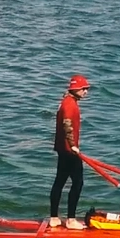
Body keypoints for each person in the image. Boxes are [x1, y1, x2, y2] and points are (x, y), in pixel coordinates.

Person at [49, 75, 90, 230]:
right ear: (75, 89)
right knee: (78, 183)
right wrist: (73, 145)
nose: (86, 92)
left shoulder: (66, 101)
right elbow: (67, 124)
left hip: (62, 149)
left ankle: (54, 218)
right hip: (69, 151)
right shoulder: (69, 105)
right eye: (84, 89)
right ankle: (71, 220)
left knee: (60, 181)